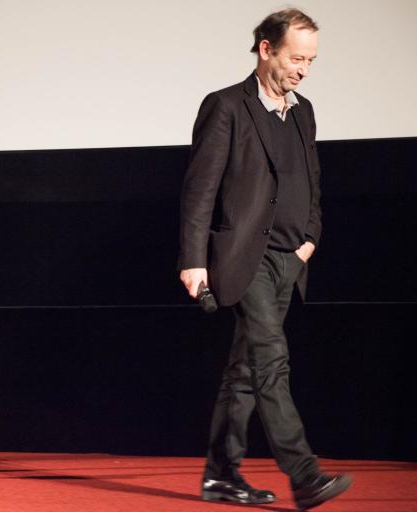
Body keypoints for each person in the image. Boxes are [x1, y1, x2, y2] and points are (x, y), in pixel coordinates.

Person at [178, 9, 352, 510]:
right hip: (245, 257)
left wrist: (310, 238)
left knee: (246, 373)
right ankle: (304, 474)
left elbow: (311, 183)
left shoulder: (304, 110)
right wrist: (193, 259)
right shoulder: (227, 106)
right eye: (296, 57)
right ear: (266, 49)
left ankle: (221, 475)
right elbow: (200, 190)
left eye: (311, 60)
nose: (303, 68)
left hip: (289, 259)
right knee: (271, 361)